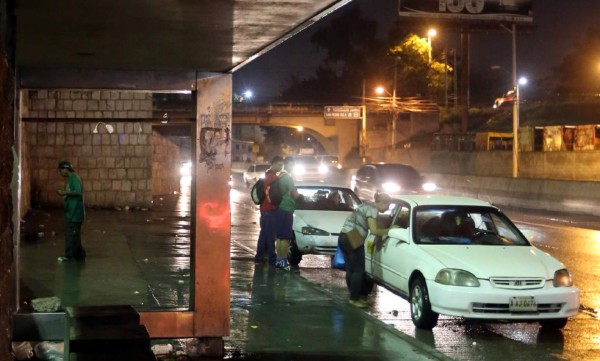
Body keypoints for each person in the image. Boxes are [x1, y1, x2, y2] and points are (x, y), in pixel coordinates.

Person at [338, 192, 392, 308]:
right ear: (382, 202)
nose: (388, 209)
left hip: (343, 236)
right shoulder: (372, 210)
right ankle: (354, 299)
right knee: (358, 270)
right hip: (353, 238)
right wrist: (390, 230)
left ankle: (353, 296)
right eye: (388, 206)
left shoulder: (364, 206)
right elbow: (374, 231)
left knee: (350, 269)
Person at [273, 156, 302, 271]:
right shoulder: (288, 178)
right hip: (287, 208)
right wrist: (302, 199)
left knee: (279, 237)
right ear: (286, 164)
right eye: (291, 165)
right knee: (285, 237)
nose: (293, 167)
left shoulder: (280, 175)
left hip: (279, 208)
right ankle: (283, 261)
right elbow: (295, 194)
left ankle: (279, 260)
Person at [254, 156, 284, 265]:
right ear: (273, 164)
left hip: (263, 209)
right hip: (271, 210)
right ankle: (272, 259)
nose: (280, 167)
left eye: (282, 165)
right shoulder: (274, 178)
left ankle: (258, 257)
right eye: (279, 165)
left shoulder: (265, 176)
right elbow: (276, 196)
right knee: (271, 236)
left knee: (263, 235)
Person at [56, 160, 86, 262]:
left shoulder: (73, 178)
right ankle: (80, 255)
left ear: (65, 169)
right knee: (75, 236)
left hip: (75, 214)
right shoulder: (71, 178)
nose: (60, 173)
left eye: (60, 170)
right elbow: (73, 192)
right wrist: (66, 195)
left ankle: (70, 256)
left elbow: (77, 192)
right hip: (72, 213)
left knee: (71, 236)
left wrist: (63, 192)